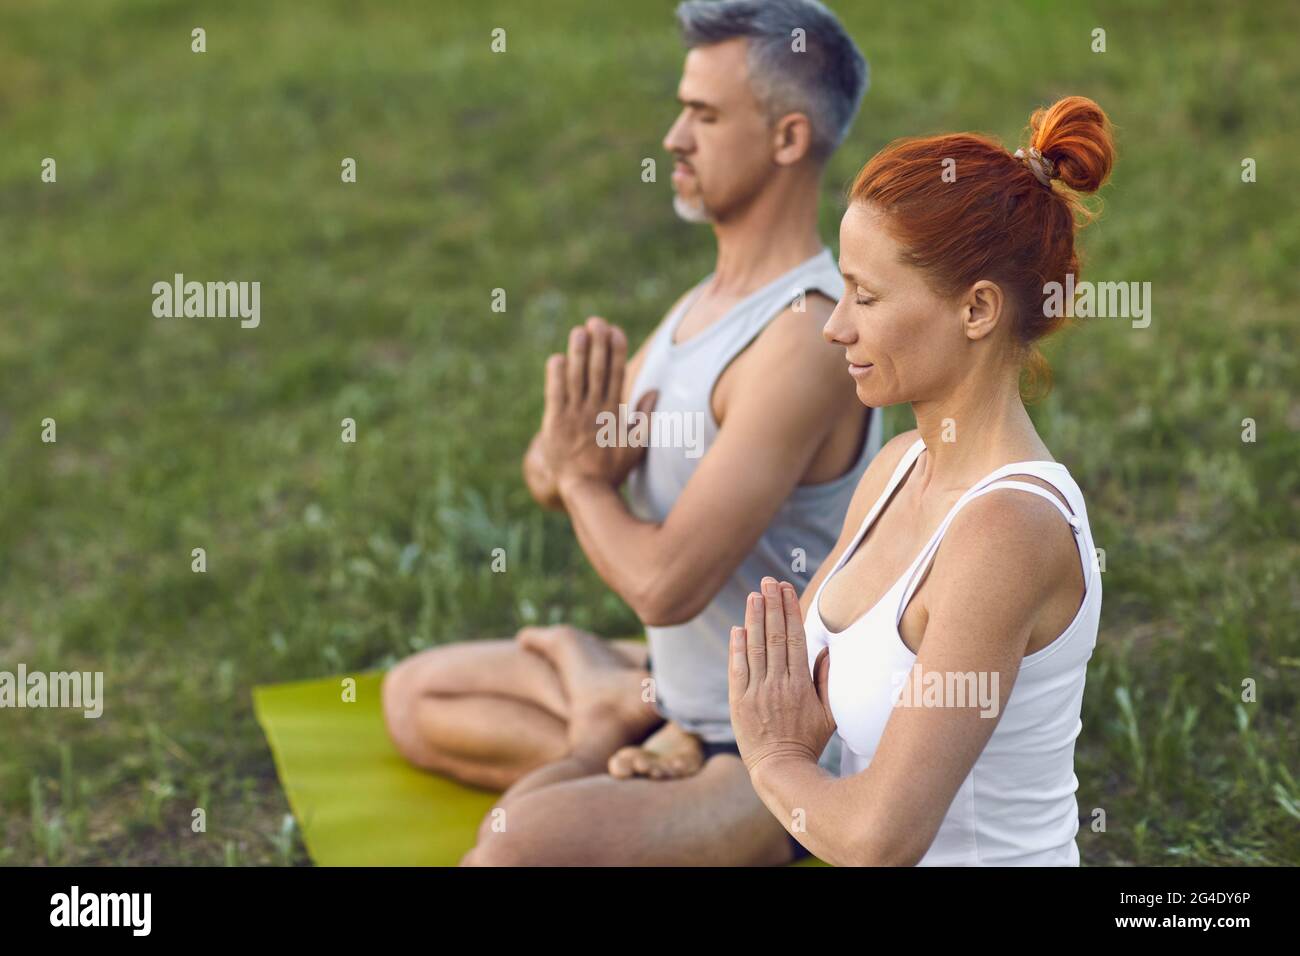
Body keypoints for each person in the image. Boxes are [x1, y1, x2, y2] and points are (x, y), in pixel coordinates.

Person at [382, 0, 878, 865]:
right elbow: (544, 467)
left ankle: (606, 725)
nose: (673, 138)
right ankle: (614, 710)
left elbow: (661, 585)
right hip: (674, 688)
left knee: (509, 847)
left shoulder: (803, 339)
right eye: (682, 108)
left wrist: (585, 481)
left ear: (788, 139)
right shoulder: (700, 310)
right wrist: (572, 468)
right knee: (415, 697)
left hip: (768, 754)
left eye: (705, 115)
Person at [727, 95, 1114, 865]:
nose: (837, 326)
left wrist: (774, 762)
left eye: (867, 297)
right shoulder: (895, 468)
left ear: (976, 310)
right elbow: (791, 703)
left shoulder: (1009, 531)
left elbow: (878, 838)